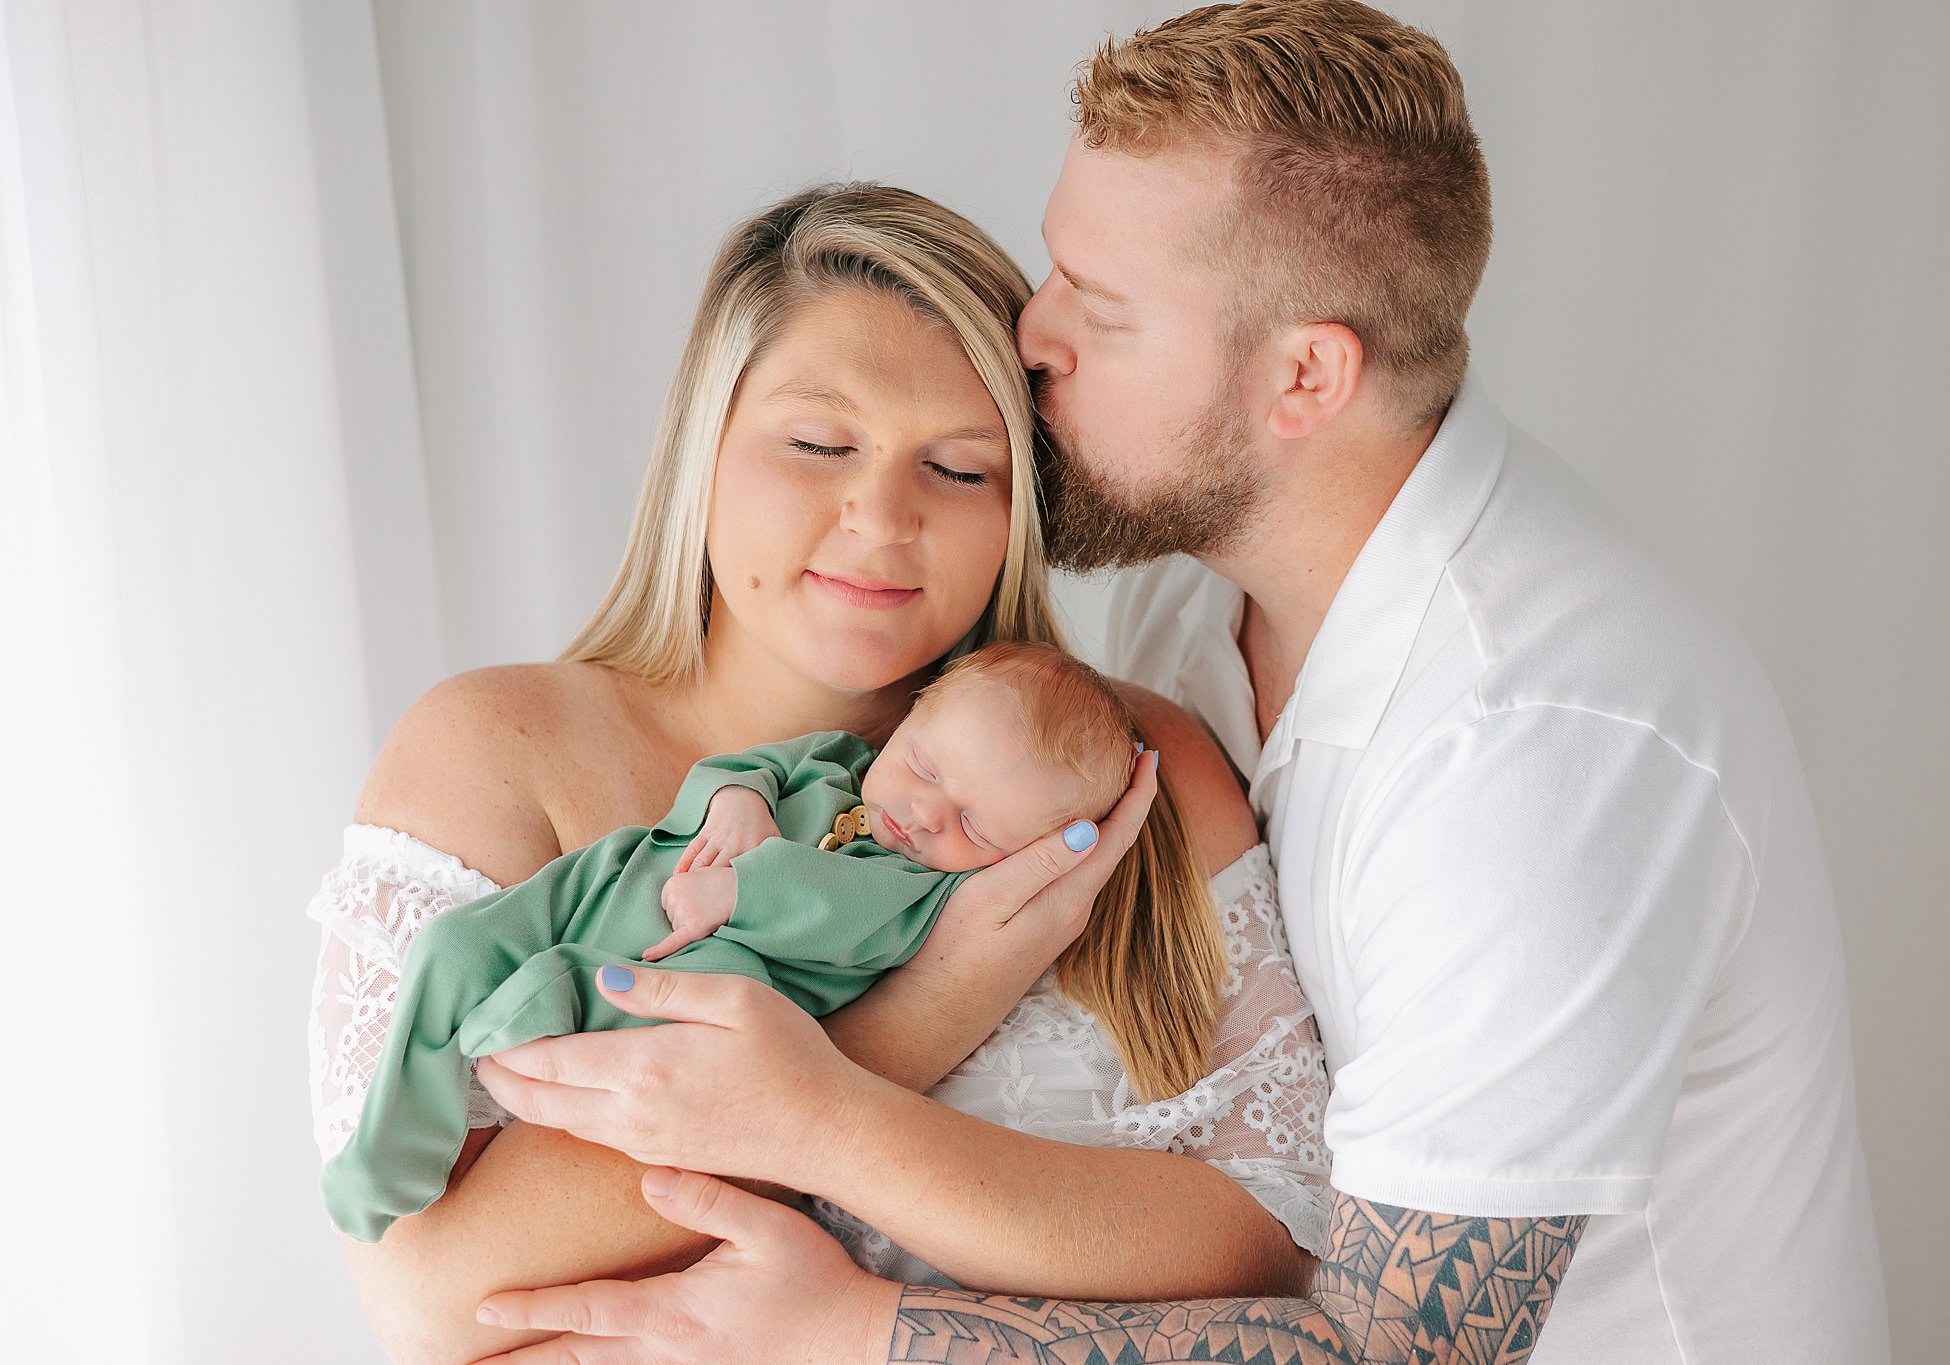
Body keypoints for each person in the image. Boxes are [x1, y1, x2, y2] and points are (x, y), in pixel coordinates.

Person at [459, 3, 1892, 1362]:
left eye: (1102, 303)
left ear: (1306, 381)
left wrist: (856, 1329)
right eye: (1053, 265)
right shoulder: (1180, 602)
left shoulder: (1533, 747)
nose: (1030, 335)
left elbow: (1396, 1351)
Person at [303, 183, 1332, 1361]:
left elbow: (1275, 1238)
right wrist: (911, 1016)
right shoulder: (498, 752)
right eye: (819, 443)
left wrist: (858, 1301)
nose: (881, 514)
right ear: (705, 447)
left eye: (958, 469)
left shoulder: (1119, 771)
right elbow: (434, 1302)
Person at [320, 641, 1221, 1246]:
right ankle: (391, 1144)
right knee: (450, 947)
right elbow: (750, 766)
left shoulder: (925, 890)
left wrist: (739, 889)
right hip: (608, 881)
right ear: (910, 718)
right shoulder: (838, 759)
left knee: (578, 1007)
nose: (922, 813)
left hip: (696, 963)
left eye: (977, 829)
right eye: (927, 766)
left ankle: (538, 1012)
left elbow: (842, 913)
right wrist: (737, 801)